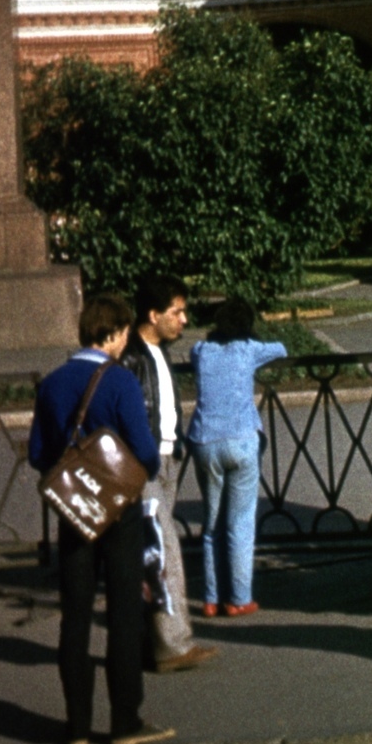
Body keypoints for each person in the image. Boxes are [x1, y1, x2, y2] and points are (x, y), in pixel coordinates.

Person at [29, 294, 170, 744]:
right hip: (120, 510)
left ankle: (77, 727)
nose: (124, 340)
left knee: (75, 615)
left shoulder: (52, 383)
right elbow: (145, 451)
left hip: (75, 513)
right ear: (110, 333)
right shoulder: (119, 381)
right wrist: (129, 475)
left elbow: (38, 454)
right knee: (124, 612)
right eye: (123, 332)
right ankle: (125, 722)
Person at [124, 275, 216, 674]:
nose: (184, 319)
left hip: (167, 459)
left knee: (152, 553)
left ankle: (151, 643)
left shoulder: (159, 352)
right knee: (165, 553)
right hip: (145, 463)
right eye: (176, 311)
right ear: (153, 314)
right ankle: (172, 646)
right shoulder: (131, 356)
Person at [186, 299, 287, 616]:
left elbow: (195, 354)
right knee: (239, 524)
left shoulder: (201, 351)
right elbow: (282, 349)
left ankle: (211, 599)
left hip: (204, 441)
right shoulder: (248, 349)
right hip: (242, 440)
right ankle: (239, 599)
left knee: (212, 522)